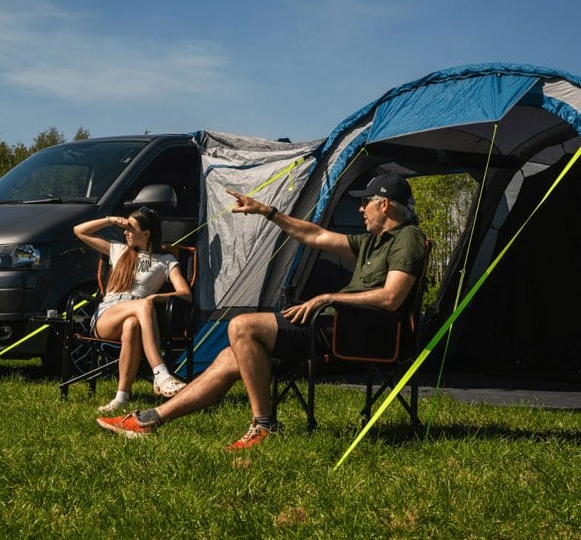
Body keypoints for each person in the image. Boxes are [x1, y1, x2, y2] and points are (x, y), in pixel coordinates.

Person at [96, 173, 427, 449]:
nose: (360, 209)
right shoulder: (373, 241)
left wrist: (326, 298)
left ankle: (264, 425)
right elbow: (315, 235)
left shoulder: (408, 238)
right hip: (334, 324)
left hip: (354, 333)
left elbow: (391, 298)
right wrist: (267, 212)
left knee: (242, 326)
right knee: (229, 357)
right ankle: (151, 419)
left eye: (365, 202)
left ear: (384, 204)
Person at [74, 206, 192, 413]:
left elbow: (185, 293)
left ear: (146, 234)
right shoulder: (118, 250)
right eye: (125, 228)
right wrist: (111, 220)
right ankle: (161, 373)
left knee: (132, 324)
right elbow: (79, 231)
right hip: (108, 315)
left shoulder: (166, 261)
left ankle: (121, 396)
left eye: (131, 229)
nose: (126, 232)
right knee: (144, 305)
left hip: (138, 314)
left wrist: (158, 296)